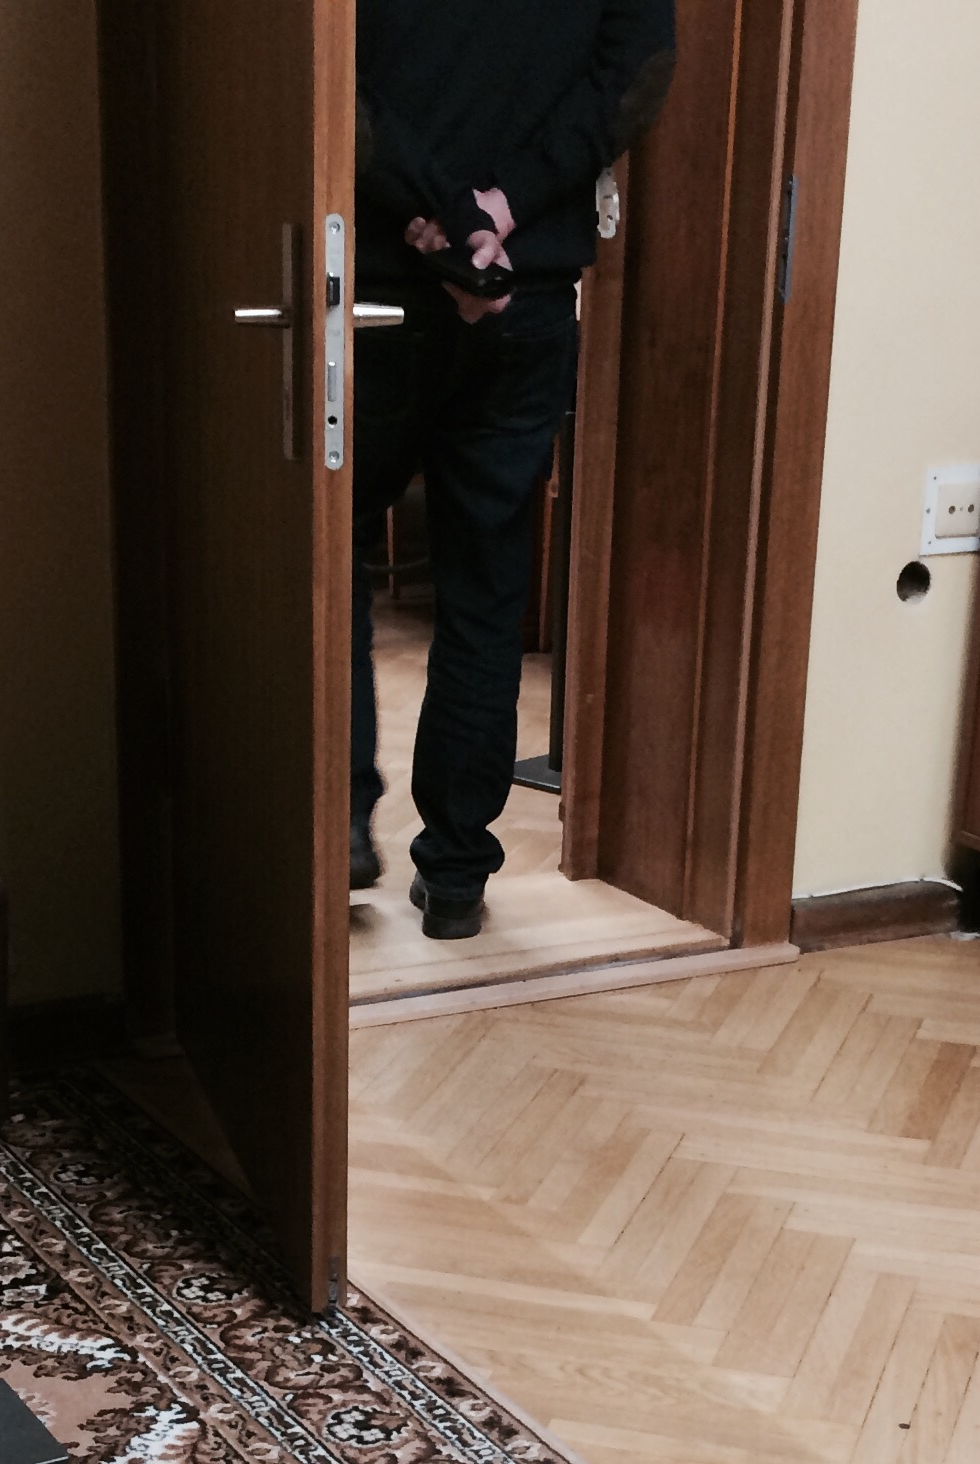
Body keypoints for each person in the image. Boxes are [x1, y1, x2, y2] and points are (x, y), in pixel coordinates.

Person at [353, 0, 676, 939]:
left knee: (330, 564)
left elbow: (338, 77)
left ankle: (339, 824)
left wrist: (442, 215)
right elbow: (639, 73)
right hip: (525, 289)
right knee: (487, 589)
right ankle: (456, 873)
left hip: (377, 282)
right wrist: (504, 208)